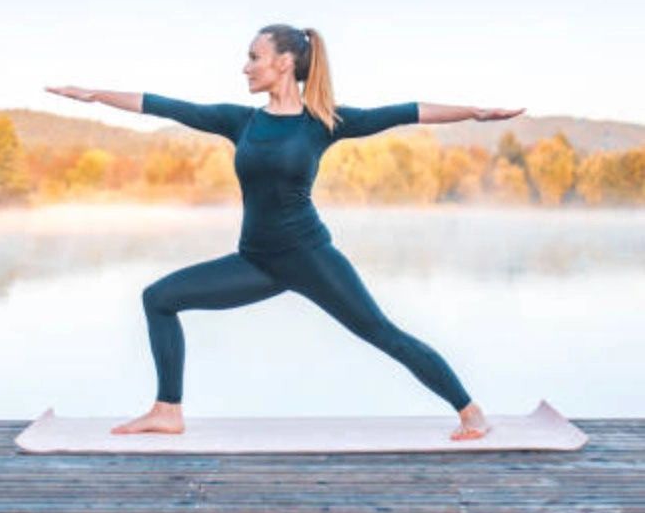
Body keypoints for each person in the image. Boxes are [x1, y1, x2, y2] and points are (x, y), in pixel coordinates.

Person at [46, 24, 525, 441]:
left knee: (382, 334)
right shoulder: (241, 121)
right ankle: (167, 411)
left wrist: (474, 112)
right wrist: (95, 95)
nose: (245, 67)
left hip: (310, 258)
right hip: (256, 262)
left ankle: (470, 411)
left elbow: (407, 111)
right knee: (159, 298)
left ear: (284, 62)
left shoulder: (324, 123)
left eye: (253, 57)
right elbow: (164, 106)